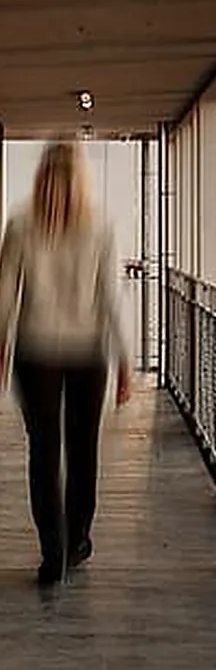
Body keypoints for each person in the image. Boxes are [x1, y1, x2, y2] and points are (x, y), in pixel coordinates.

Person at [0, 141, 133, 586]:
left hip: (35, 353)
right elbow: (111, 299)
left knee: (43, 450)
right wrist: (125, 359)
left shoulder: (20, 225)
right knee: (82, 449)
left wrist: (1, 348)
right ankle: (77, 539)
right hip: (87, 354)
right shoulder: (100, 228)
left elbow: (4, 299)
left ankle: (51, 553)